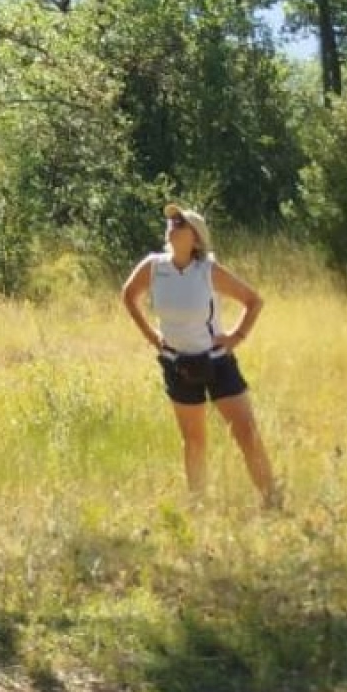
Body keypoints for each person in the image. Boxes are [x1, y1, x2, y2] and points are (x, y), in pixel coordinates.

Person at [121, 203, 279, 506]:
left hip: (216, 362)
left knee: (246, 433)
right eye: (171, 221)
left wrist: (236, 337)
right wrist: (153, 337)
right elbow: (128, 296)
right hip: (176, 364)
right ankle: (198, 505)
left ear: (196, 238)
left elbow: (253, 301)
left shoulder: (208, 270)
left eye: (180, 222)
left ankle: (272, 500)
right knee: (194, 440)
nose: (172, 225)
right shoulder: (154, 266)